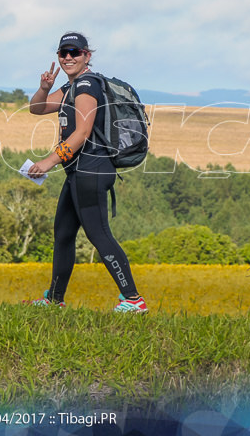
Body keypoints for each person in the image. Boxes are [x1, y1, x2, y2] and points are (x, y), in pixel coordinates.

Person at [25, 32, 147, 313]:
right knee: (64, 233)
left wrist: (48, 162)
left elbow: (82, 133)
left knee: (99, 234)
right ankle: (55, 299)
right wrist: (45, 87)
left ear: (86, 56)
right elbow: (36, 108)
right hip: (78, 171)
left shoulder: (87, 85)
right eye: (63, 52)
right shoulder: (72, 87)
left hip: (91, 169)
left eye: (75, 52)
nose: (68, 57)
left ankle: (133, 299)